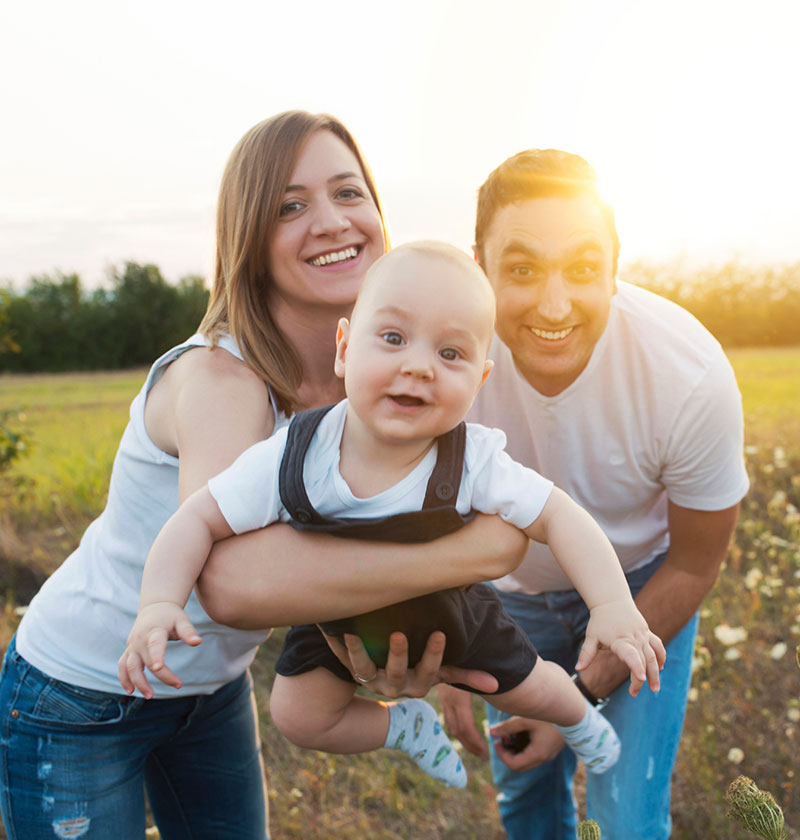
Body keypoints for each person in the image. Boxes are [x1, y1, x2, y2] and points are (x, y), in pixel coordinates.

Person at [0, 112, 528, 840]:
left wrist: (435, 642)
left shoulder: (378, 381)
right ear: (249, 235)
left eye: (349, 193)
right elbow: (234, 582)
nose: (331, 221)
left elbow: (407, 521)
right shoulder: (222, 379)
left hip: (208, 689)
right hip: (80, 695)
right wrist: (470, 556)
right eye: (290, 205)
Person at [120, 241, 666, 792]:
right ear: (344, 347)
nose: (418, 366)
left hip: (451, 612)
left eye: (451, 354)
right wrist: (159, 602)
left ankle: (580, 721)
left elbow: (560, 517)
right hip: (339, 622)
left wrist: (613, 605)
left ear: (479, 381)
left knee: (530, 690)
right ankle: (402, 727)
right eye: (393, 338)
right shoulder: (293, 454)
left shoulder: (473, 458)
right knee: (298, 715)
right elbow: (197, 520)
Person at [435, 149, 750, 839]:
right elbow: (417, 526)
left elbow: (695, 564)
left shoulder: (688, 376)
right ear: (479, 266)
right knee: (525, 797)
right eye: (520, 269)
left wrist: (573, 699)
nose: (554, 305)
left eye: (581, 268)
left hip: (646, 587)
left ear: (614, 266)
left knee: (626, 817)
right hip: (508, 602)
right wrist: (448, 660)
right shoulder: (434, 363)